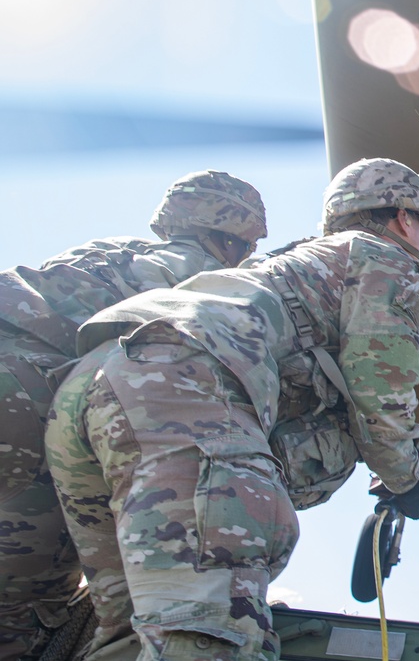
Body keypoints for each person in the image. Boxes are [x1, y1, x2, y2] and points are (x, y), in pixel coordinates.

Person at [44, 158, 419, 661]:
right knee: (212, 635)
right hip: (183, 390)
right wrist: (412, 480)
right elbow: (379, 397)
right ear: (405, 219)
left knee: (132, 635)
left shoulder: (299, 268)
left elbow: (330, 398)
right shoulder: (388, 259)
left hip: (92, 392)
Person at [0, 169, 267, 660]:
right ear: (237, 238)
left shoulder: (103, 252)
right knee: (26, 614)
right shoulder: (202, 277)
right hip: (28, 400)